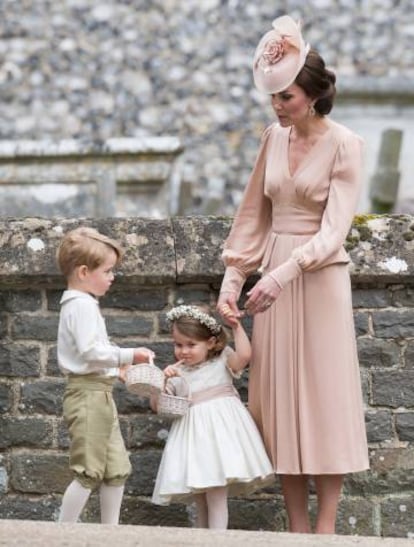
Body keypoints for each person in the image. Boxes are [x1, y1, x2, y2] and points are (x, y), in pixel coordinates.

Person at [217, 15, 369, 535]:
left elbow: (334, 232)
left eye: (286, 96)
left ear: (312, 95)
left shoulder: (346, 143)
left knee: (325, 398)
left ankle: (325, 530)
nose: (277, 105)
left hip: (318, 276)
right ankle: (296, 530)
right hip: (272, 279)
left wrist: (283, 272)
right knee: (278, 399)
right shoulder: (272, 138)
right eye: (274, 96)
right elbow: (251, 215)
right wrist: (232, 281)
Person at [56, 226, 154, 524]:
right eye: (108, 271)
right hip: (86, 396)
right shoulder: (80, 306)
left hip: (99, 393)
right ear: (84, 272)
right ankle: (60, 535)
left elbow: (95, 351)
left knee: (116, 468)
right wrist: (128, 354)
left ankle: (109, 536)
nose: (112, 277)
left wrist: (118, 369)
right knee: (89, 471)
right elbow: (89, 352)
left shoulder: (83, 303)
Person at [151, 304, 274, 529]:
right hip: (194, 441)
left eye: (191, 345)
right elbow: (158, 406)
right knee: (201, 500)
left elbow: (245, 356)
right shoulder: (178, 373)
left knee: (216, 496)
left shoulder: (222, 360)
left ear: (210, 342)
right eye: (178, 345)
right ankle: (203, 538)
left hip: (220, 439)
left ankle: (217, 540)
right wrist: (161, 383)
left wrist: (236, 326)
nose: (183, 351)